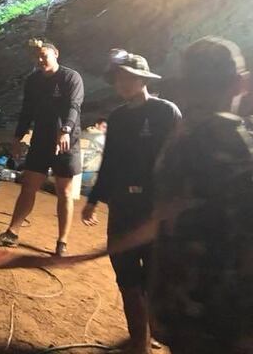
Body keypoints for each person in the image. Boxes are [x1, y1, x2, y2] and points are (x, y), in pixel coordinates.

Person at [148, 37, 253, 353]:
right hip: (229, 313)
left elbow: (164, 220)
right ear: (239, 84)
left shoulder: (176, 144)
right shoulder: (239, 146)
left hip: (178, 303)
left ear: (186, 85)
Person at [81, 50, 181, 354]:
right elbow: (110, 162)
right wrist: (94, 200)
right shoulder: (119, 117)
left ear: (143, 80)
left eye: (130, 78)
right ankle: (138, 340)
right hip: (123, 206)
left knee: (154, 275)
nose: (123, 83)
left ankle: (153, 334)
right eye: (119, 79)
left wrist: (173, 203)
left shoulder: (166, 112)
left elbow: (179, 158)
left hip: (155, 208)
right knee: (125, 275)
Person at [0, 41, 84, 256]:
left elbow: (74, 105)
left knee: (65, 192)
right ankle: (12, 233)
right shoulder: (33, 81)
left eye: (44, 55)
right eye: (37, 57)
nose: (41, 60)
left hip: (67, 142)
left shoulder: (71, 77)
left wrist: (66, 129)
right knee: (29, 186)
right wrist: (17, 137)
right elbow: (27, 110)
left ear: (56, 54)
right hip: (41, 140)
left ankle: (62, 242)